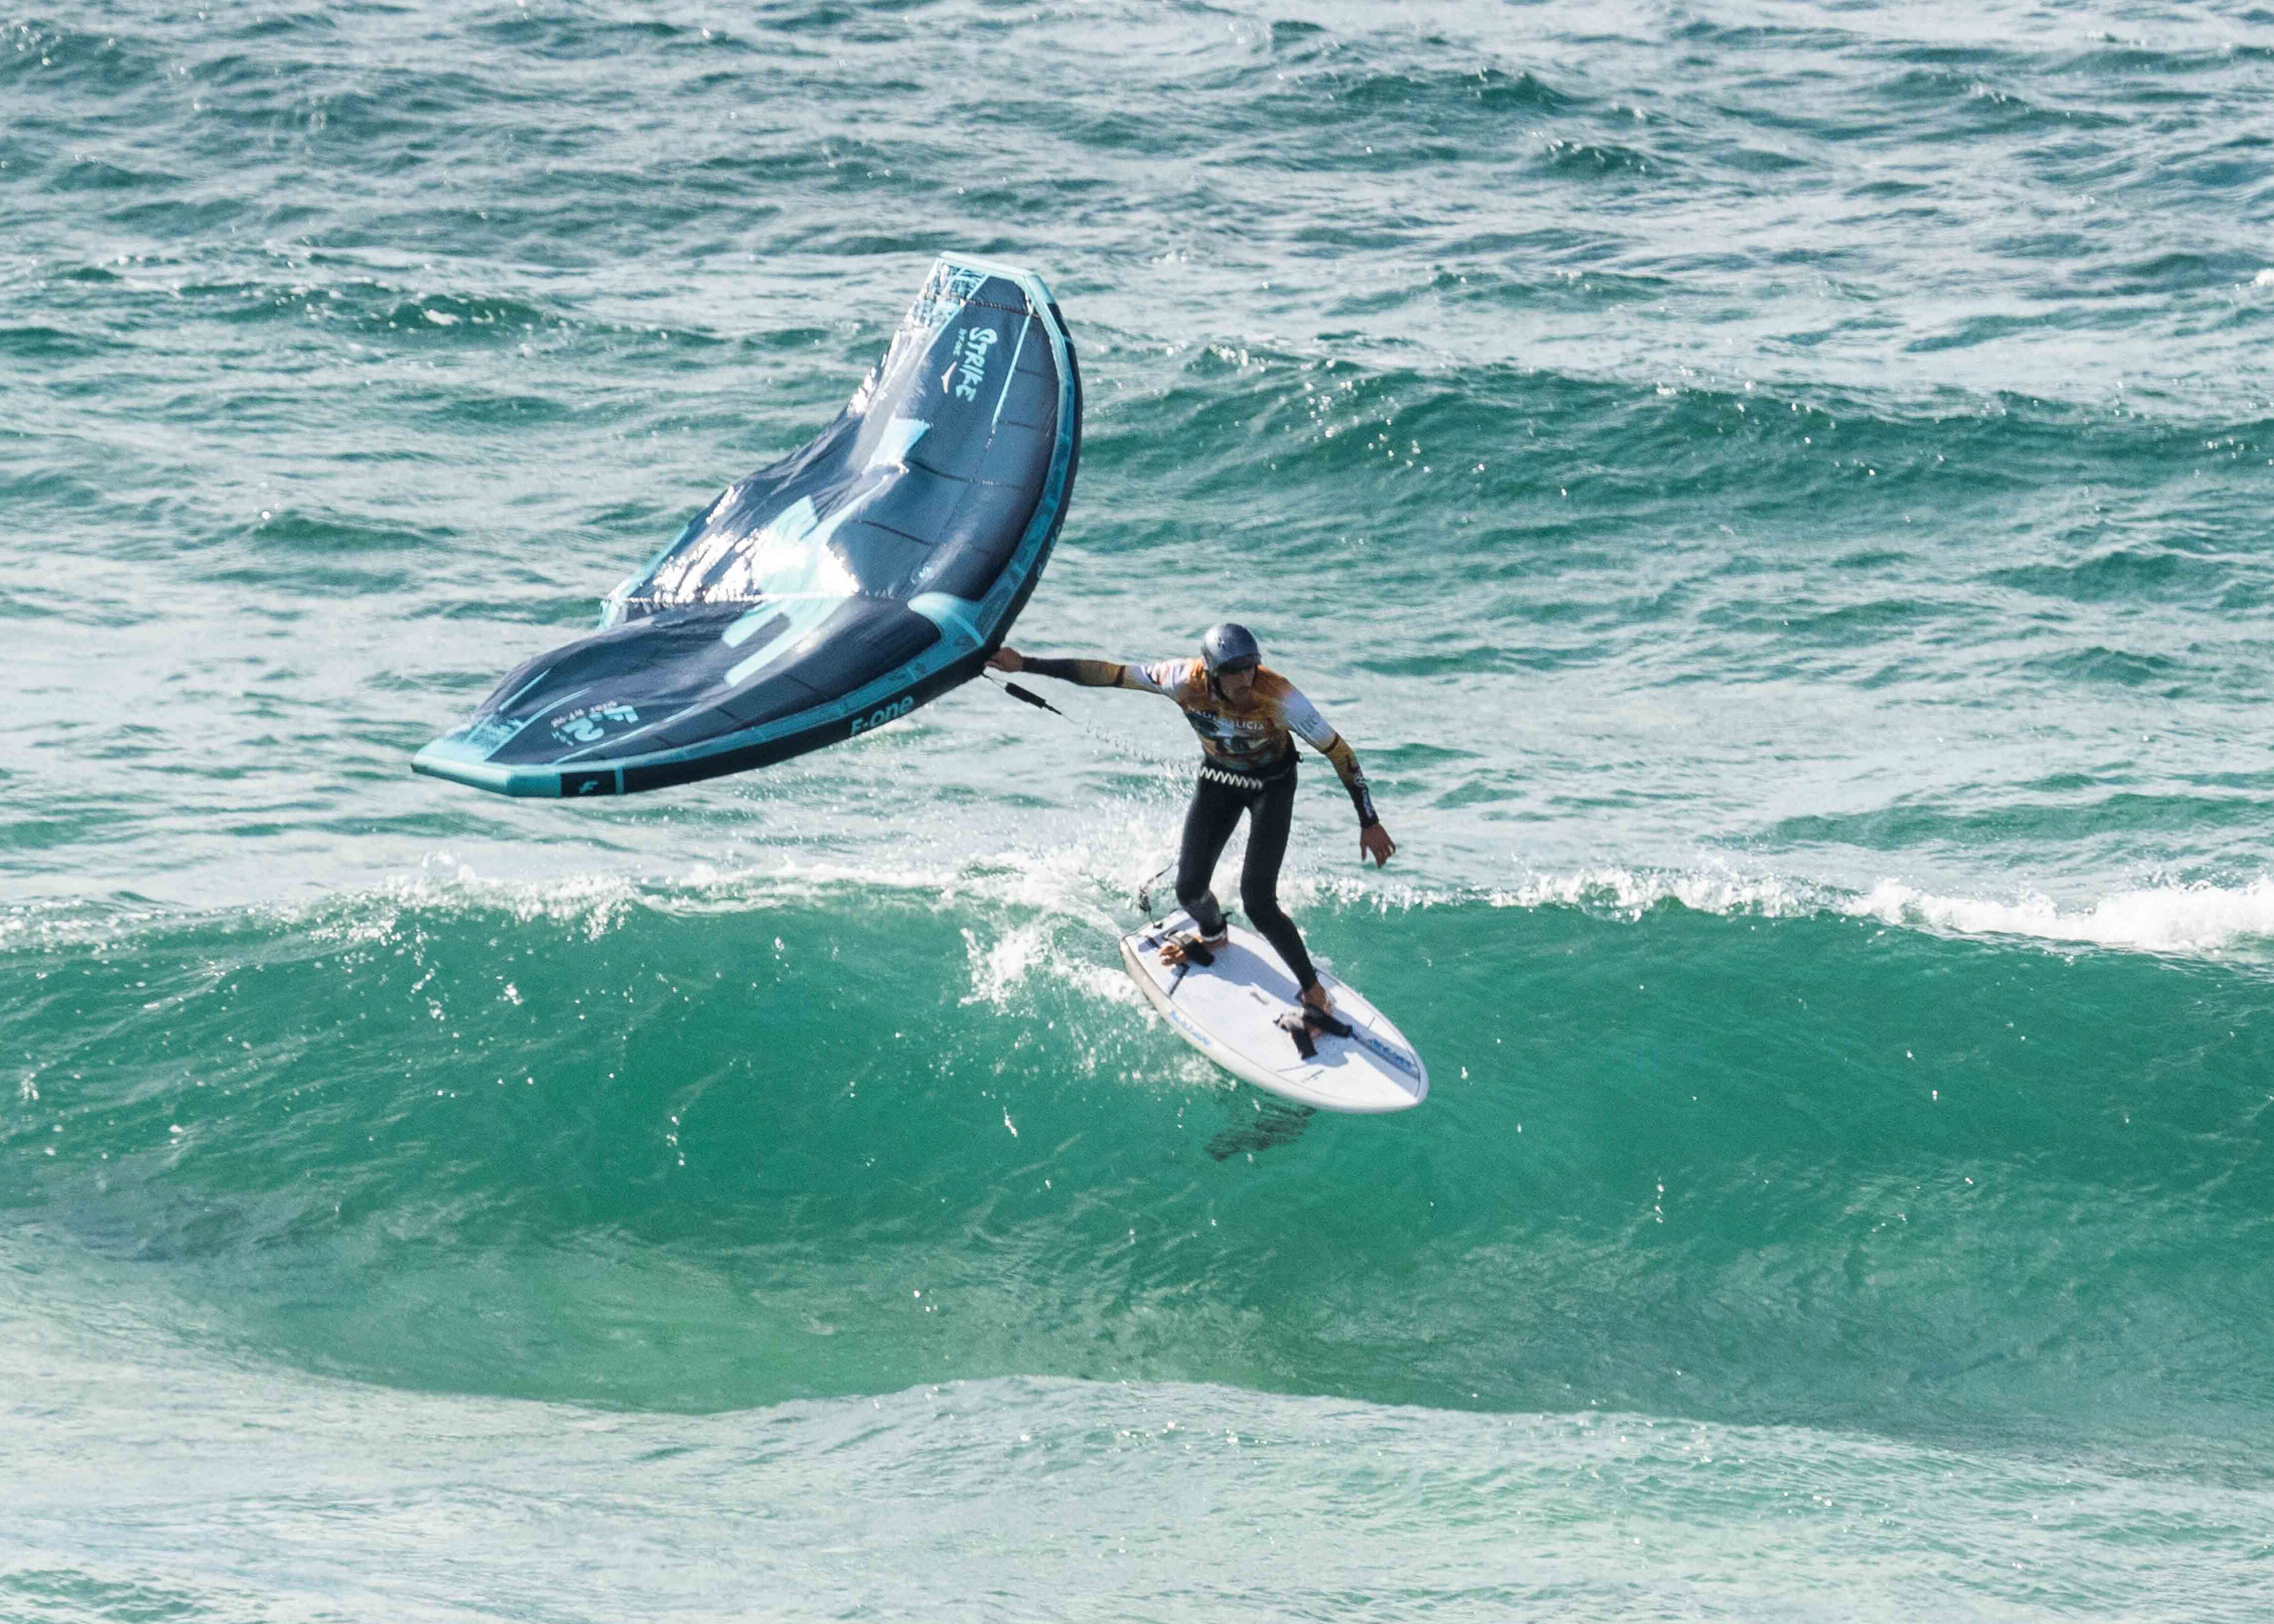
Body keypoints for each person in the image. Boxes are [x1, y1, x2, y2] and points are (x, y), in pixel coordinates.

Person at [988, 623, 1395, 1017]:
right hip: (1218, 780)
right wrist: (1025, 664)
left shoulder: (1281, 698)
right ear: (1213, 673)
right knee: (1189, 890)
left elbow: (1339, 752)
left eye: (1250, 667)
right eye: (1234, 673)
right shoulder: (1180, 678)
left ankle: (1314, 991)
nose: (1245, 679)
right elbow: (1109, 674)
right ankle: (1214, 935)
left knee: (1258, 900)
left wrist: (1368, 819)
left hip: (1272, 787)